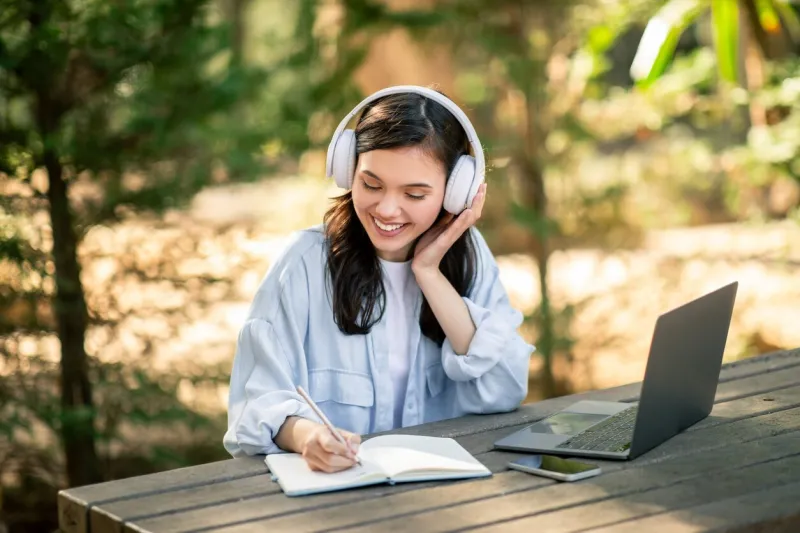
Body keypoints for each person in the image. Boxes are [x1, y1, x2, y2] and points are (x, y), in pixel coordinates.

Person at [223, 85, 535, 473]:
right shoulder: (302, 264)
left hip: (446, 497)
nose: (387, 209)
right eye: (371, 185)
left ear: (456, 192)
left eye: (415, 194)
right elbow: (256, 403)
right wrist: (308, 438)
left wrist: (429, 274)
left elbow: (504, 391)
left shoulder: (470, 257)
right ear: (347, 169)